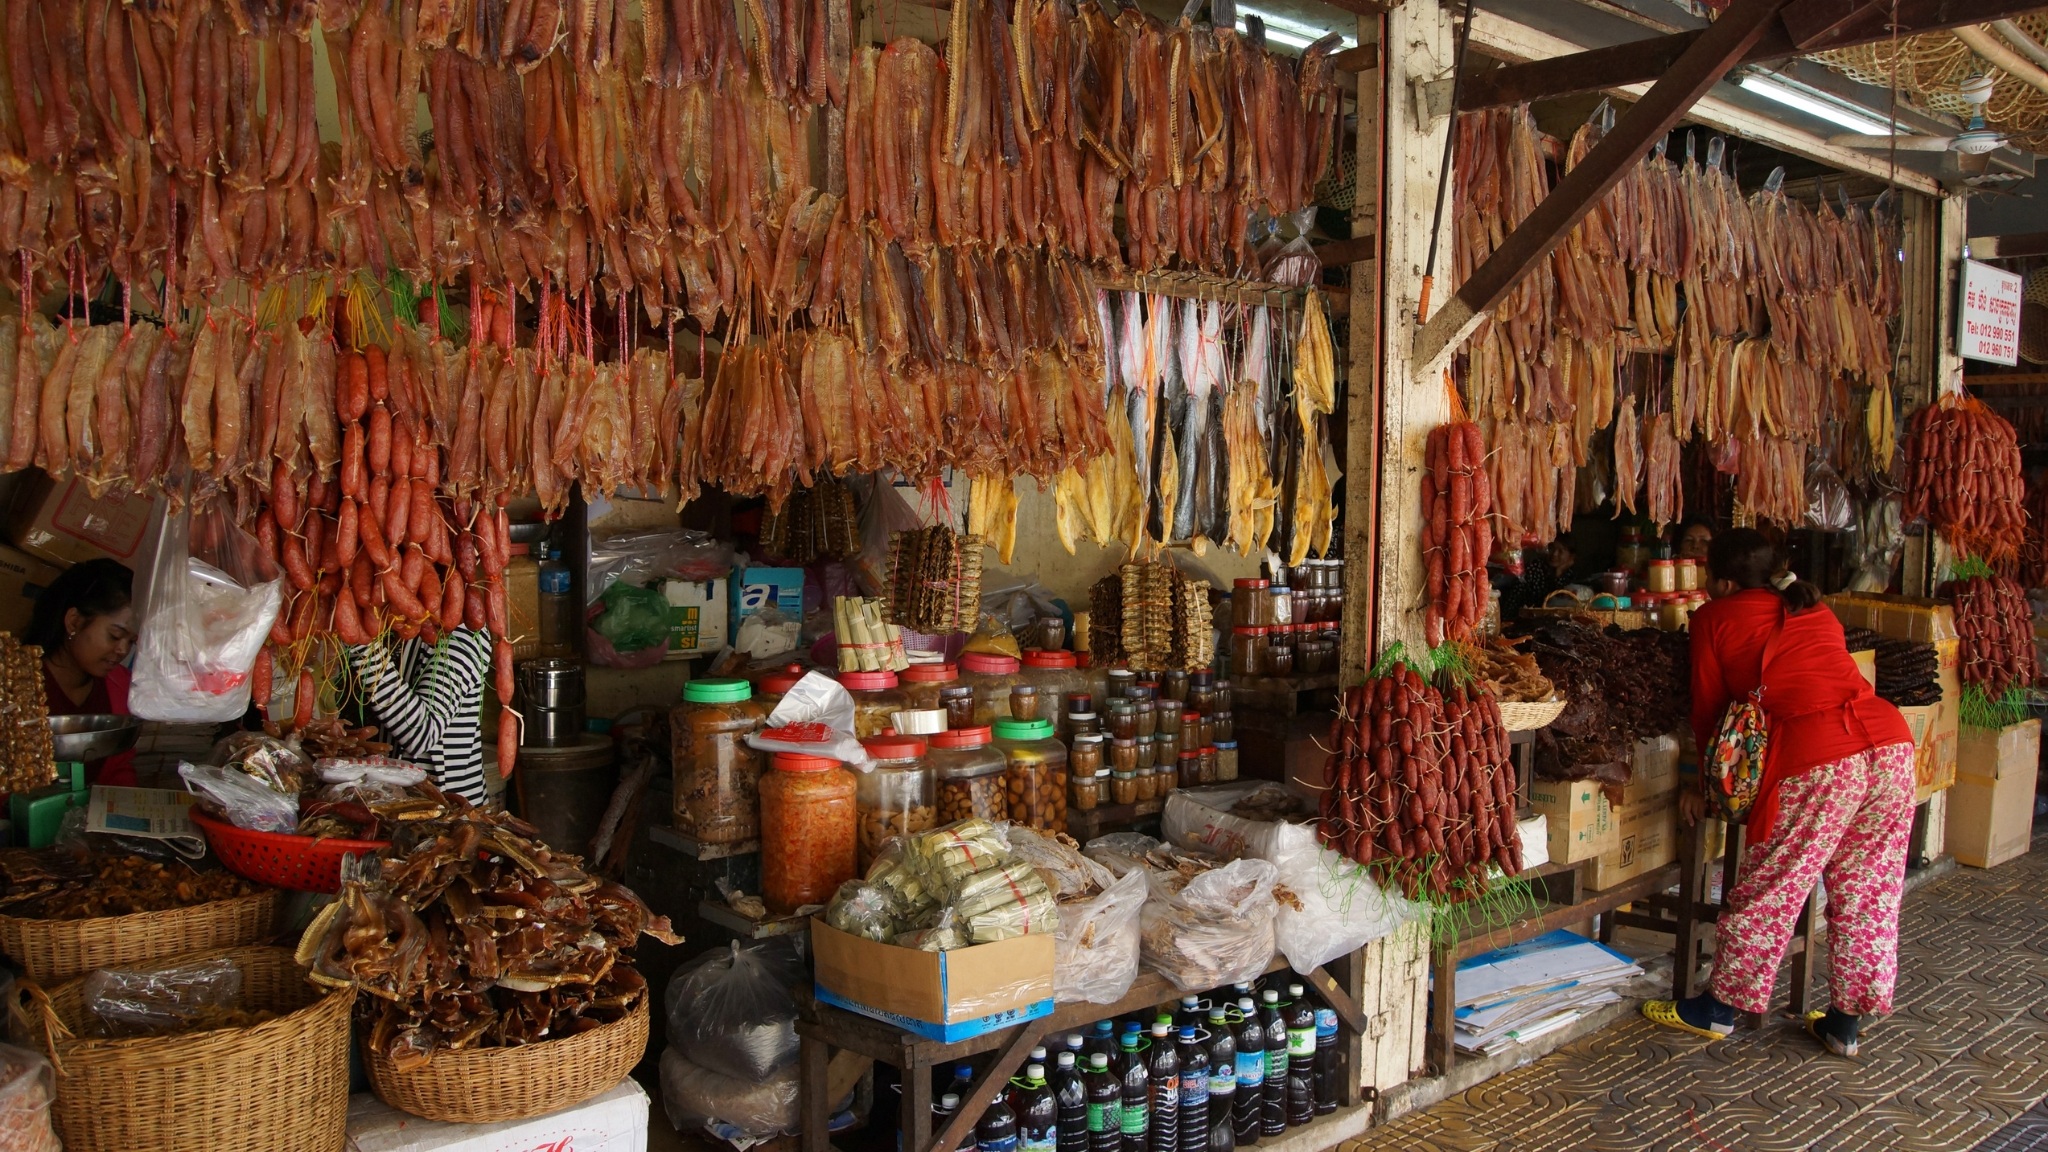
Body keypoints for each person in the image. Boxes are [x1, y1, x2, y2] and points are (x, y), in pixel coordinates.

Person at [1643, 529, 1913, 1058]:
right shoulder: (1815, 609)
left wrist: (1704, 787)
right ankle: (1844, 1023)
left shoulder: (1714, 619)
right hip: (1890, 743)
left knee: (1773, 884)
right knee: (1869, 888)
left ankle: (1720, 1009)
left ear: (1719, 579)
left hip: (1821, 757)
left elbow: (1710, 712)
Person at [348, 628, 494, 806]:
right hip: (383, 801)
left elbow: (421, 732)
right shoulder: (392, 625)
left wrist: (359, 641)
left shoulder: (464, 634)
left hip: (446, 810)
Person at [24, 559, 138, 785]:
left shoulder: (120, 686)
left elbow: (119, 769)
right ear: (74, 622)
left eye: (131, 641)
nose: (122, 650)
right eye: (114, 636)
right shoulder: (13, 685)